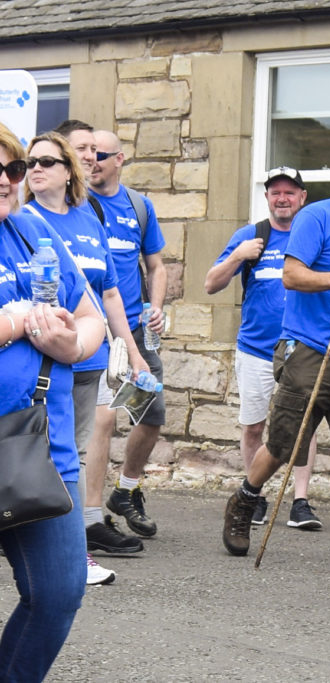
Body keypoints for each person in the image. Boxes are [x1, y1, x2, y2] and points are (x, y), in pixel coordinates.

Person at [220, 149, 330, 565]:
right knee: (284, 443)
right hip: (311, 350)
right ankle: (244, 501)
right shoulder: (316, 217)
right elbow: (291, 275)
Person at [0, 121, 105, 682]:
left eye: (12, 169)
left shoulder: (35, 230)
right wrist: (15, 320)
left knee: (60, 594)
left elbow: (91, 318)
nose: (5, 180)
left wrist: (72, 342)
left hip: (42, 449)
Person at [24, 131, 148, 584]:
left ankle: (67, 551)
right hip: (41, 366)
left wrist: (134, 353)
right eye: (30, 162)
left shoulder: (88, 221)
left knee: (69, 457)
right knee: (32, 455)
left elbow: (109, 293)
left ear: (67, 171)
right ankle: (57, 552)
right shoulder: (21, 220)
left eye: (47, 162)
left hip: (89, 362)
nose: (36, 169)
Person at [205, 166, 320, 530]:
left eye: (290, 192)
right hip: (255, 348)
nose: (282, 198)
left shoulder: (312, 234)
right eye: (275, 192)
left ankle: (301, 501)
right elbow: (210, 284)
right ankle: (254, 497)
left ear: (303, 197)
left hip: (301, 347)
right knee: (254, 427)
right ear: (267, 198)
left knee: (305, 427)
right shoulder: (252, 235)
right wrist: (238, 254)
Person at [84, 129, 167, 540]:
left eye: (100, 154)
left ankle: (127, 490)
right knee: (104, 419)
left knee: (152, 415)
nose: (92, 159)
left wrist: (157, 305)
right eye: (86, 152)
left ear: (120, 158)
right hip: (92, 331)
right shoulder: (78, 204)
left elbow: (156, 265)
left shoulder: (139, 206)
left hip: (133, 329)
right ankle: (90, 518)